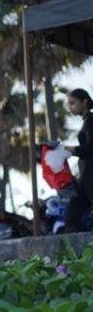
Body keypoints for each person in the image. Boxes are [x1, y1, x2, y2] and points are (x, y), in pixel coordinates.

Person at [62, 89, 93, 233]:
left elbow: (91, 146)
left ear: (84, 101)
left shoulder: (91, 120)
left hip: (91, 175)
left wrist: (71, 150)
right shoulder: (86, 121)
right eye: (68, 105)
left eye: (72, 103)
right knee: (71, 216)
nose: (70, 108)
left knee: (72, 216)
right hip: (85, 176)